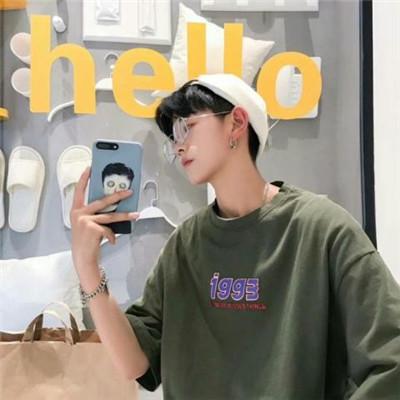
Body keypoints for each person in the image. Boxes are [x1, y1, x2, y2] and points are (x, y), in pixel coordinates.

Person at [71, 73, 400, 399]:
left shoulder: (322, 229)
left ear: (237, 123)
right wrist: (87, 267)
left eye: (187, 126)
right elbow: (135, 364)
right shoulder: (185, 245)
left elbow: (391, 358)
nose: (179, 144)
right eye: (173, 135)